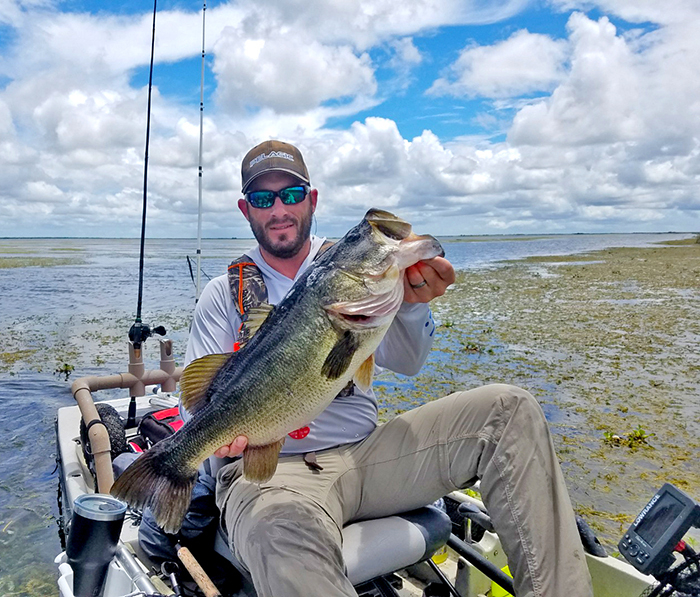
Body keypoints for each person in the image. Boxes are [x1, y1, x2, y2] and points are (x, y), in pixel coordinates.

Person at [180, 140, 594, 597]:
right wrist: (219, 441)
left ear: (312, 200)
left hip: (368, 457)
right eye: (263, 198)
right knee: (279, 531)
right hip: (272, 475)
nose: (278, 208)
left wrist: (413, 304)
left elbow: (409, 361)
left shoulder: (359, 274)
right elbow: (197, 410)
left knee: (509, 410)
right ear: (246, 210)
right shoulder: (224, 293)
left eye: (291, 194)